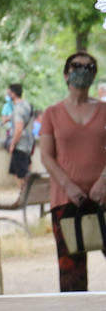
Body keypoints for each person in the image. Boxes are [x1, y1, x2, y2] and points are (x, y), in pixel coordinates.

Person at [36, 52, 106, 292]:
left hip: (103, 197)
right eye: (77, 66)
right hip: (67, 201)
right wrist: (68, 185)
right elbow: (46, 155)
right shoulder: (52, 113)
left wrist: (103, 180)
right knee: (71, 273)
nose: (83, 71)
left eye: (89, 67)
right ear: (66, 73)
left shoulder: (105, 110)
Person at [6, 83, 35, 191]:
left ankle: (24, 196)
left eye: (8, 92)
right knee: (18, 171)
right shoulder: (27, 104)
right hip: (28, 143)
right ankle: (23, 195)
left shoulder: (18, 109)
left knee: (21, 175)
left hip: (20, 145)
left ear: (13, 94)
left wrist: (13, 144)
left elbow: (18, 129)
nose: (7, 94)